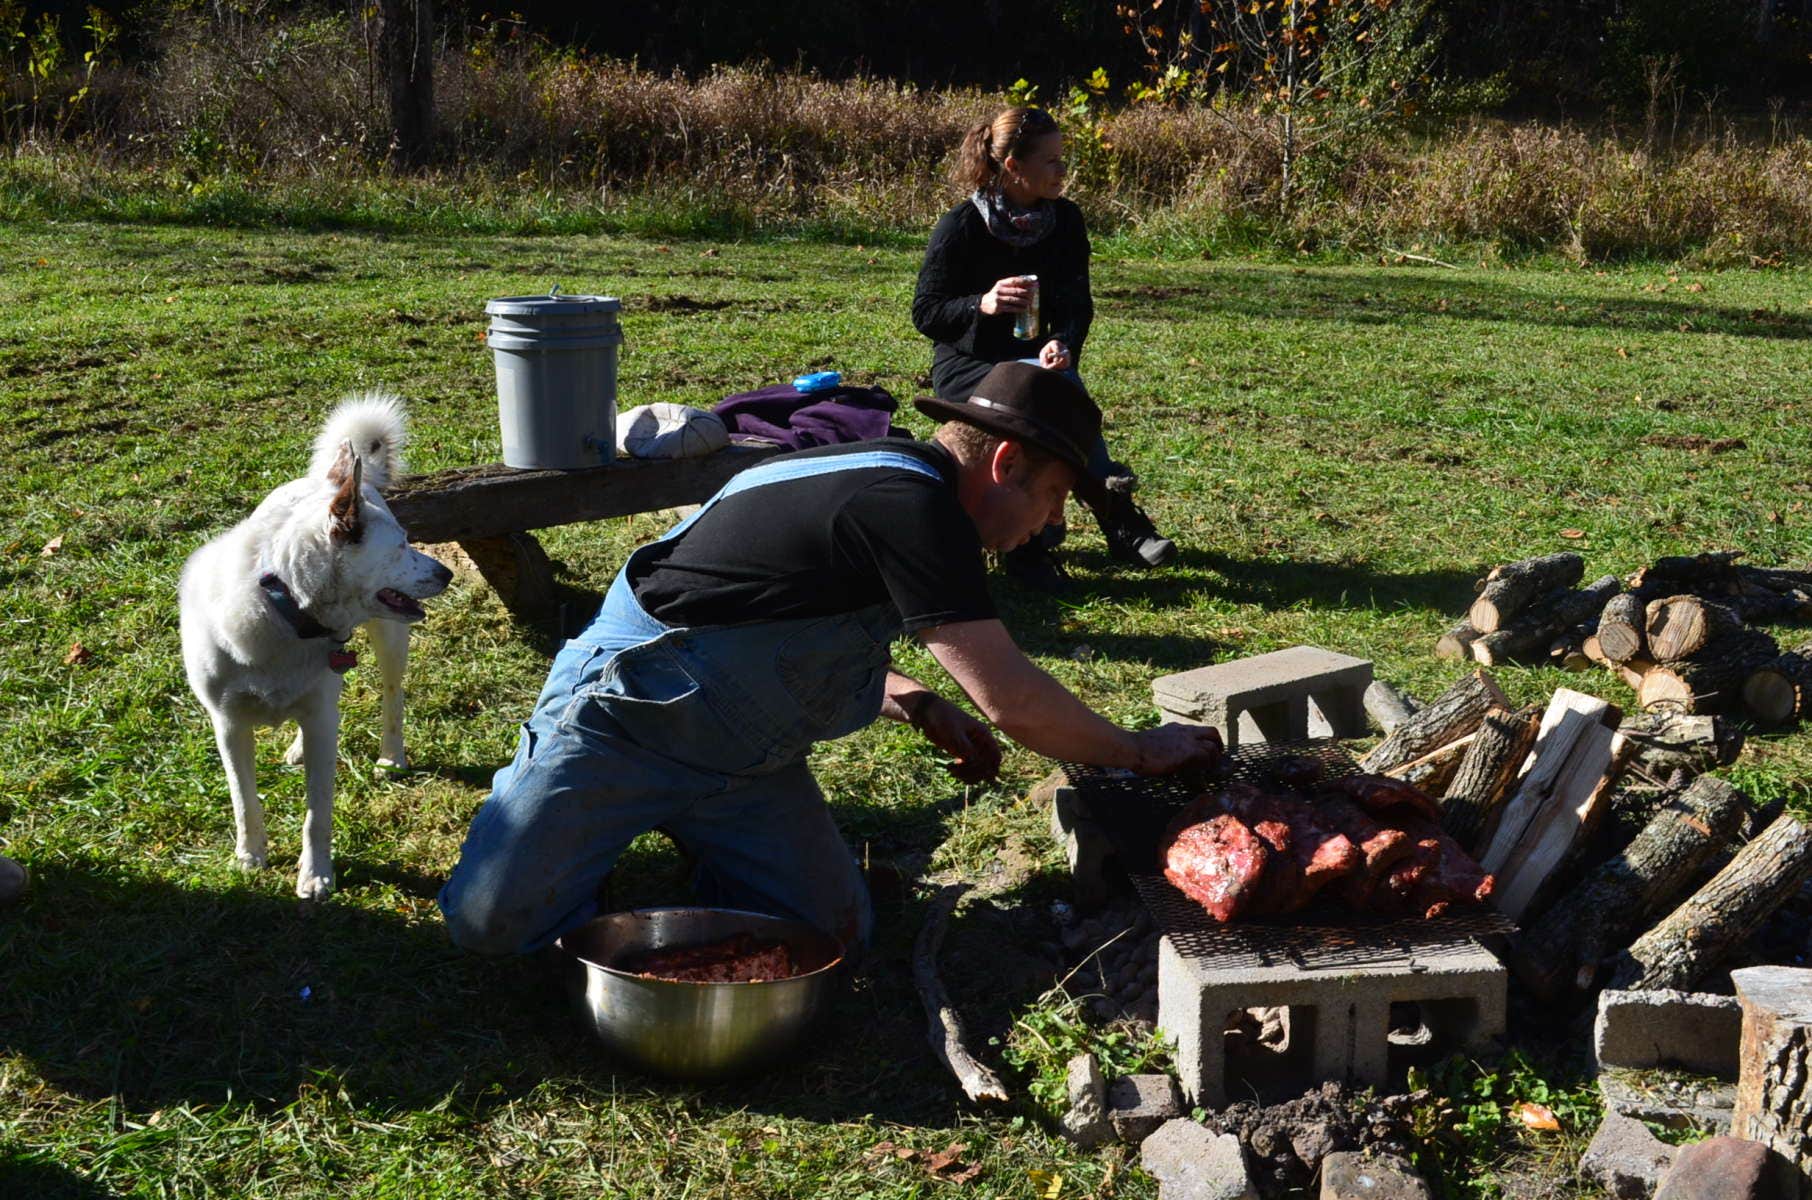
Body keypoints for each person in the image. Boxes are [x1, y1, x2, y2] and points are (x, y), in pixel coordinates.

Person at [438, 363, 1222, 956]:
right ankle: (583, 818)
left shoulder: (905, 489)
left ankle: (678, 833)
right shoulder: (909, 506)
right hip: (627, 723)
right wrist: (1135, 750)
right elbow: (1011, 699)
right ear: (1006, 462)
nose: (1051, 523)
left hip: (742, 759)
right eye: (1052, 497)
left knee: (831, 931)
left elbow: (783, 615)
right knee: (488, 924)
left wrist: (911, 696)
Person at [913, 105, 1176, 592]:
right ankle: (1084, 527)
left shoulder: (1066, 222)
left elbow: (1078, 304)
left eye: (1063, 158)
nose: (1063, 171)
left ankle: (1082, 524)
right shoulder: (962, 226)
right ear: (1014, 166)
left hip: (1038, 363)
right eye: (1051, 160)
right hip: (969, 364)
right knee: (1038, 405)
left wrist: (1063, 342)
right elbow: (927, 312)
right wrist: (983, 304)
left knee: (1054, 391)